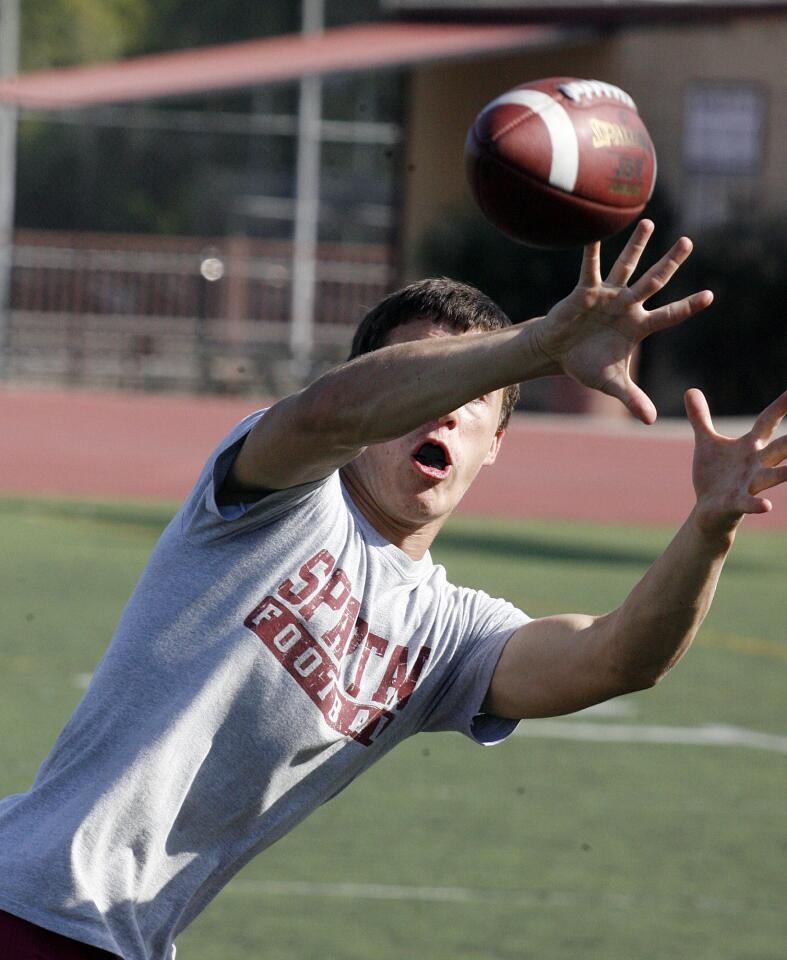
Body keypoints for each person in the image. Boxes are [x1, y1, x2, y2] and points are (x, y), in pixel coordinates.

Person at [0, 221, 784, 960]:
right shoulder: (275, 498)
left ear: (497, 444)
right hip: (28, 899)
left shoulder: (447, 634)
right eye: (422, 383)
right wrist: (535, 345)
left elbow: (616, 659)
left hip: (115, 937)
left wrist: (708, 529)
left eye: (470, 397)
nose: (439, 409)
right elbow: (332, 413)